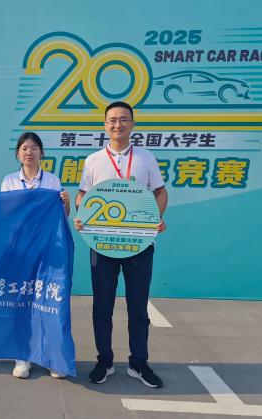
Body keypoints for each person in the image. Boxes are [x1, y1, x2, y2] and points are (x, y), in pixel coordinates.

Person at [73, 101, 168, 388]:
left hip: (138, 245)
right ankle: (104, 360)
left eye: (124, 119)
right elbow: (83, 196)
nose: (118, 124)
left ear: (133, 124)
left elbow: (160, 192)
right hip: (102, 244)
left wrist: (155, 219)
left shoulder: (146, 157)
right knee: (102, 307)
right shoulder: (93, 160)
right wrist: (82, 215)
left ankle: (139, 362)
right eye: (112, 120)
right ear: (105, 125)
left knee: (138, 307)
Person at [0, 132, 70, 380]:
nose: (29, 152)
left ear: (41, 153)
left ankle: (53, 358)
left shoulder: (52, 180)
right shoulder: (9, 181)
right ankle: (23, 358)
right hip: (20, 250)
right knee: (21, 302)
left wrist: (65, 202)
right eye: (24, 148)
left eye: (34, 148)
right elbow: (5, 214)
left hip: (47, 250)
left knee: (48, 302)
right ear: (18, 154)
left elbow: (62, 217)